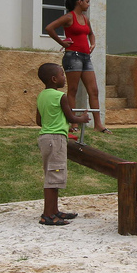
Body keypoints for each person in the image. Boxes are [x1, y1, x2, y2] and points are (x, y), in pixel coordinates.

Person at [44, 0, 110, 134]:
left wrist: (92, 44)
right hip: (72, 56)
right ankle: (73, 123)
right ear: (79, 2)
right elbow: (49, 28)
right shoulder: (69, 17)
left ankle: (98, 124)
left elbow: (91, 33)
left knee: (94, 90)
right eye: (87, 1)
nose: (88, 4)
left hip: (86, 57)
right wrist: (62, 42)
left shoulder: (85, 18)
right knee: (73, 90)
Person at [35, 63, 90, 226]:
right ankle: (47, 215)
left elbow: (39, 121)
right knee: (54, 177)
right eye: (61, 74)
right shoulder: (60, 97)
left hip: (45, 138)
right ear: (54, 79)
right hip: (56, 139)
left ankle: (54, 211)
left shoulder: (41, 96)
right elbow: (71, 117)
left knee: (52, 175)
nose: (64, 77)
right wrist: (83, 118)